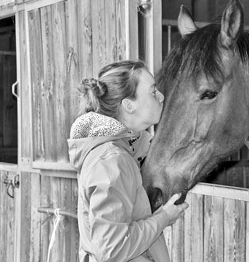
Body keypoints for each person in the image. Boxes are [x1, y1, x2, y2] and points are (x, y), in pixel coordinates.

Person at [68, 60, 188, 262]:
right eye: (152, 91)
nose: (161, 96)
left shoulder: (126, 152)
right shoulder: (111, 160)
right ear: (129, 105)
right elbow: (113, 249)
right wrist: (164, 218)